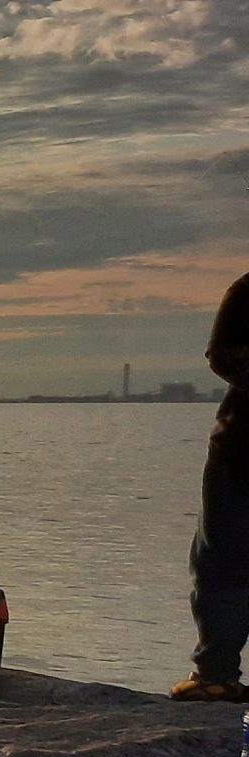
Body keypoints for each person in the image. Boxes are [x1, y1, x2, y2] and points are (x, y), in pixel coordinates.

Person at [175, 271, 249, 701]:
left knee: (222, 565)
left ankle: (216, 676)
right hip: (241, 451)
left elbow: (222, 355)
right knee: (223, 563)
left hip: (241, 451)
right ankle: (217, 675)